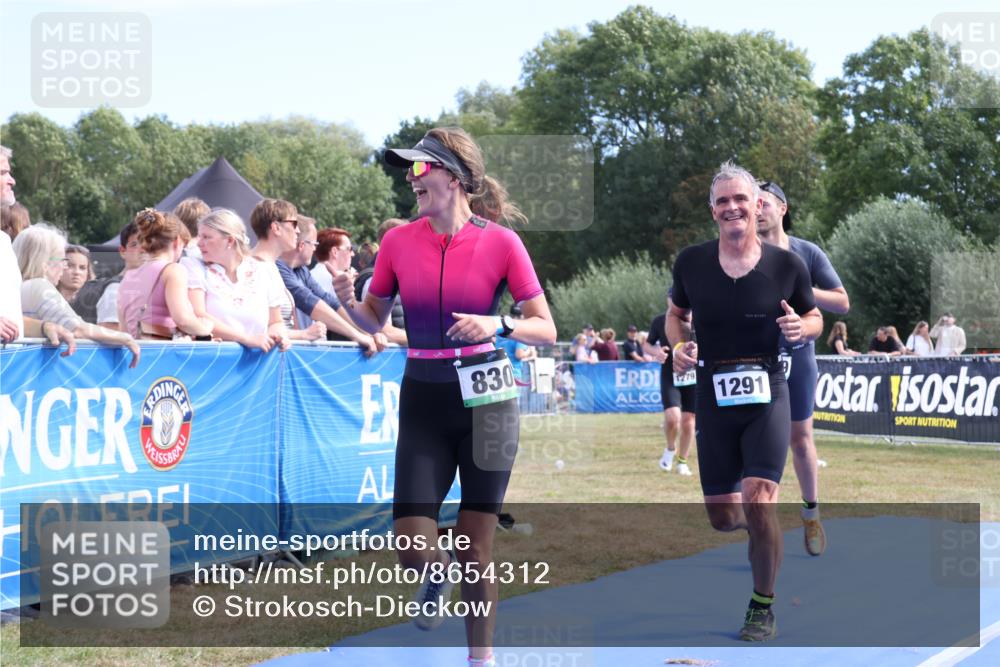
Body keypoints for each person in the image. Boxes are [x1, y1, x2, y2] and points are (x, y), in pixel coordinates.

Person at [334, 126, 556, 667]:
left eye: (419, 168)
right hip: (424, 398)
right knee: (411, 545)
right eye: (408, 170)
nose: (410, 179)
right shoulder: (398, 242)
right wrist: (345, 300)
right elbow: (374, 318)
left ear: (453, 178)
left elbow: (545, 328)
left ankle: (481, 659)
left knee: (476, 545)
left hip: (488, 402)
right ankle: (436, 575)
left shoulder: (501, 242)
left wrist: (497, 323)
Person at [668, 161, 822, 642]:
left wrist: (801, 327)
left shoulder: (787, 264)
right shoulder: (691, 262)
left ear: (758, 205)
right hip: (713, 394)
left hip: (767, 390)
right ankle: (761, 534)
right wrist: (679, 346)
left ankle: (762, 605)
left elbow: (815, 317)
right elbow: (675, 315)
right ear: (712, 210)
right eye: (723, 201)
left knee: (759, 501)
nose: (732, 207)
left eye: (741, 199)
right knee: (725, 518)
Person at [756, 180, 850, 558]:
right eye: (753, 203)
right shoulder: (743, 252)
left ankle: (811, 514)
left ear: (783, 208)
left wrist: (804, 292)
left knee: (800, 439)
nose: (757, 210)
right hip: (757, 361)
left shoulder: (806, 252)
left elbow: (842, 303)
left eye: (765, 203)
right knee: (762, 443)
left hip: (798, 357)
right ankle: (764, 532)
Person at [14, 223, 139, 366]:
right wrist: (126, 338)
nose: (64, 266)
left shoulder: (15, 288)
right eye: (62, 260)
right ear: (45, 262)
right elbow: (78, 329)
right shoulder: (39, 285)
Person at [0, 144, 76, 353]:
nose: (12, 180)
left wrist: (44, 327)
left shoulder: (4, 241)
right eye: (3, 173)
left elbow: (10, 319)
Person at [183, 208, 289, 352]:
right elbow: (198, 315)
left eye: (206, 237)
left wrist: (279, 336)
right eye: (199, 236)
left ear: (230, 240)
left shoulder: (265, 270)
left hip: (259, 360)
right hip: (214, 359)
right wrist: (246, 339)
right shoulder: (193, 266)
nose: (199, 243)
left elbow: (275, 322)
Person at [276, 215, 380, 355]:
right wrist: (358, 334)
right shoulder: (278, 268)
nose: (315, 249)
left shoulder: (301, 270)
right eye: (314, 244)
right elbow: (310, 302)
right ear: (302, 245)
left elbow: (329, 302)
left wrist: (365, 332)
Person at [118, 209, 214, 340]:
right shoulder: (173, 271)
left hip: (136, 349)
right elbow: (182, 319)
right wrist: (206, 327)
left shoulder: (128, 277)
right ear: (177, 241)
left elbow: (123, 330)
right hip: (162, 350)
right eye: (184, 246)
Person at [248, 200, 326, 342]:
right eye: (294, 224)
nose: (298, 231)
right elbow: (255, 326)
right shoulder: (253, 267)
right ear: (276, 228)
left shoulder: (270, 266)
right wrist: (304, 334)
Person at [643, 303, 696, 477]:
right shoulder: (660, 321)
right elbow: (647, 345)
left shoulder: (699, 318)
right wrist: (656, 352)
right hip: (670, 375)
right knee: (673, 418)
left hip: (693, 376)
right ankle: (670, 448)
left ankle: (682, 462)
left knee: (689, 421)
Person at [72, 221, 144, 328]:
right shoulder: (117, 289)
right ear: (123, 251)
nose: (143, 250)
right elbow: (111, 333)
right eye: (135, 244)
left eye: (150, 245)